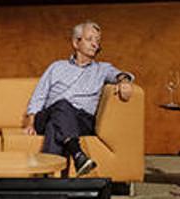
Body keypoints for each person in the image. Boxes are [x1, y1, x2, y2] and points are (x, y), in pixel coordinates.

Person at [23, 21, 133, 176]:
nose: (95, 44)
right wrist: (31, 122)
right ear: (76, 42)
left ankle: (48, 180)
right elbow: (39, 96)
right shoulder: (56, 67)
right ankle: (77, 154)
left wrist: (125, 82)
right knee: (61, 106)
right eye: (90, 39)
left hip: (81, 120)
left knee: (55, 127)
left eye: (97, 41)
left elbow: (121, 74)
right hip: (49, 114)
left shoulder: (102, 69)